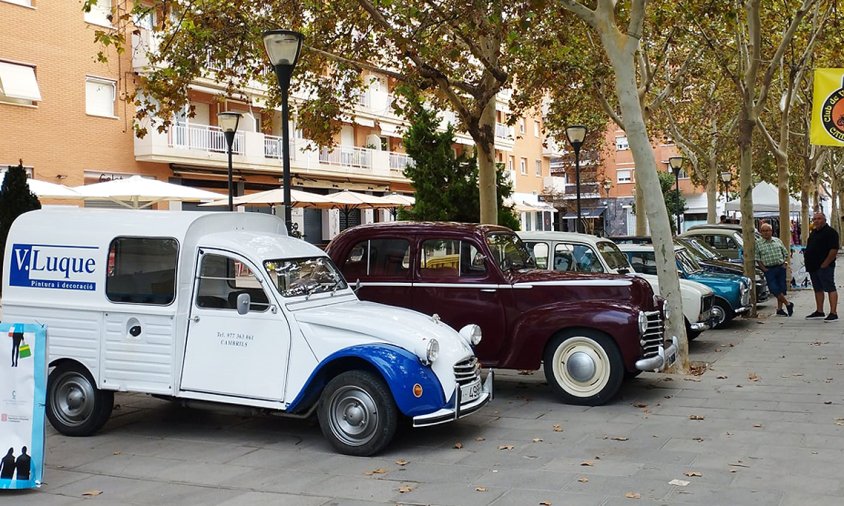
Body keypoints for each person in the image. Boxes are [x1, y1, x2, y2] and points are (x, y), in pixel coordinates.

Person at [804, 212, 839, 321]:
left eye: (819, 218)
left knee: (830, 288)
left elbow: (834, 249)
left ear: (824, 220)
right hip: (813, 266)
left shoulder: (831, 232)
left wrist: (826, 263)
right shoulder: (814, 232)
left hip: (825, 266)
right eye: (814, 219)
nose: (816, 221)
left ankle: (833, 313)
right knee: (818, 289)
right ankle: (819, 311)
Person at [755, 223, 793, 316]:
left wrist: (785, 264)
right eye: (763, 231)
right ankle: (788, 304)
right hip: (769, 269)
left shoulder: (777, 241)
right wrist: (764, 269)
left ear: (771, 231)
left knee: (780, 289)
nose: (765, 233)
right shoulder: (758, 243)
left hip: (780, 267)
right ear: (760, 232)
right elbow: (757, 258)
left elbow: (786, 253)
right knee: (774, 289)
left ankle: (780, 309)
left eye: (767, 230)